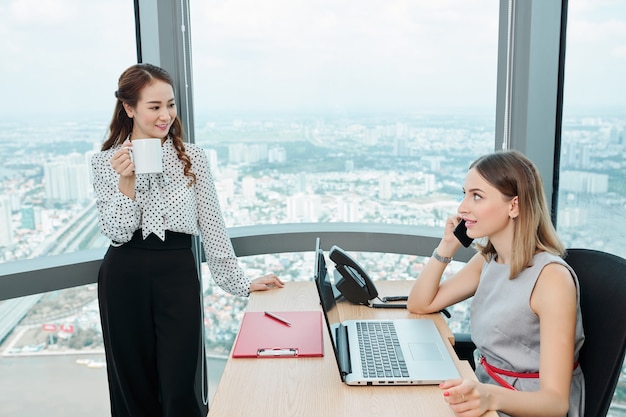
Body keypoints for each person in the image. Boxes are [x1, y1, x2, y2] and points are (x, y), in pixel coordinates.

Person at [91, 63, 284, 417]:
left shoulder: (192, 157)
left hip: (176, 272)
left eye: (171, 104)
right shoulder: (105, 163)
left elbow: (212, 225)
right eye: (154, 106)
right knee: (132, 390)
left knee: (182, 390)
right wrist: (127, 182)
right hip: (123, 276)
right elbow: (117, 233)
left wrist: (238, 283)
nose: (166, 115)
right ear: (129, 108)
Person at [407, 150, 584, 417]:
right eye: (464, 193)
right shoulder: (489, 260)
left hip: (526, 407)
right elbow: (421, 304)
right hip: (488, 395)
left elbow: (556, 404)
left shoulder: (552, 279)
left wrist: (489, 397)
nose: (462, 207)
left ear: (514, 206)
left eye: (476, 196)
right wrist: (447, 245)